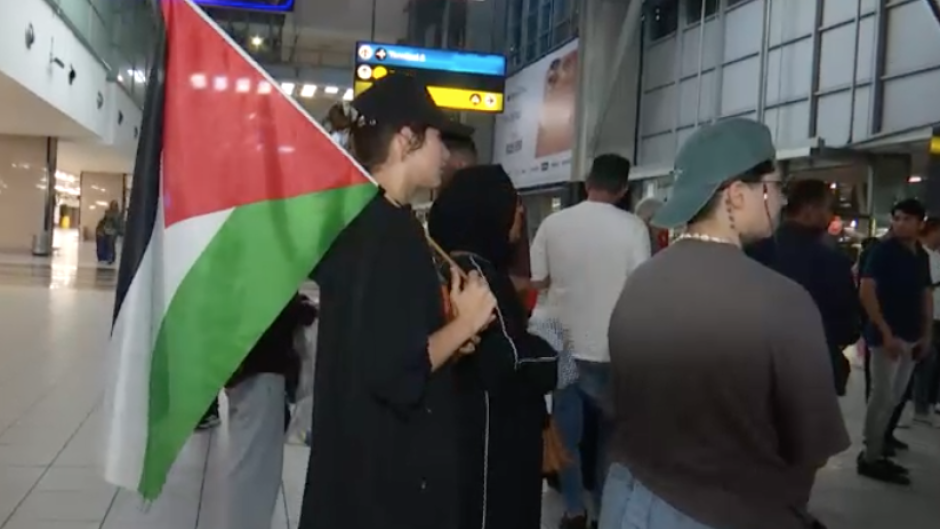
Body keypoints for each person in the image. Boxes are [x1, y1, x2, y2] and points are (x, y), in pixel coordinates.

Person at [603, 118, 849, 529]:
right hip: (719, 511)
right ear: (736, 195)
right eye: (775, 186)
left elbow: (622, 401)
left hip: (626, 498)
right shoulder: (782, 302)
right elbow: (811, 445)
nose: (781, 200)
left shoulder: (641, 281)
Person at [298, 74, 498, 529]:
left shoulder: (371, 220)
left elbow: (381, 339)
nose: (446, 154)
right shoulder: (385, 234)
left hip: (357, 472)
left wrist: (451, 338)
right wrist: (465, 324)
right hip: (385, 486)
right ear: (407, 139)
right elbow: (391, 371)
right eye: (437, 138)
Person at [427, 164, 557, 529]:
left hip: (462, 431)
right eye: (514, 204)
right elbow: (507, 356)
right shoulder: (477, 274)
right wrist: (555, 357)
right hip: (491, 442)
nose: (519, 213)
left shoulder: (447, 264)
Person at [529, 153, 650, 529]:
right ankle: (604, 511)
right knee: (611, 440)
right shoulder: (633, 228)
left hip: (564, 344)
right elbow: (641, 288)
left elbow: (537, 279)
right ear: (623, 189)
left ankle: (573, 511)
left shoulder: (554, 223)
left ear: (587, 182)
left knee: (568, 435)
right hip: (614, 349)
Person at [746, 179, 861, 396]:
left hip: (756, 369)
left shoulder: (752, 252)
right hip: (813, 370)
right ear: (810, 209)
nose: (830, 217)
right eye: (828, 209)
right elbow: (848, 329)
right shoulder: (832, 262)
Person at [212, 293, 317, 529]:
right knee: (254, 477)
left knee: (246, 468)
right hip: (262, 369)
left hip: (247, 365)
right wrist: (298, 311)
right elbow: (266, 301)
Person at [857, 198, 932, 485]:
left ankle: (878, 450)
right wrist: (885, 332)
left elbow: (925, 294)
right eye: (897, 218)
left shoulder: (920, 255)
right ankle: (870, 455)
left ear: (919, 223)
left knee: (895, 397)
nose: (900, 224)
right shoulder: (883, 251)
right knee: (881, 396)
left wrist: (926, 333)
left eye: (907, 219)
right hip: (886, 337)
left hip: (912, 335)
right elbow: (867, 291)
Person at [913, 217, 940, 427]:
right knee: (925, 361)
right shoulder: (919, 255)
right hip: (925, 317)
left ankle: (928, 405)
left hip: (938, 316)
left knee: (934, 365)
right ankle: (918, 407)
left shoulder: (936, 256)